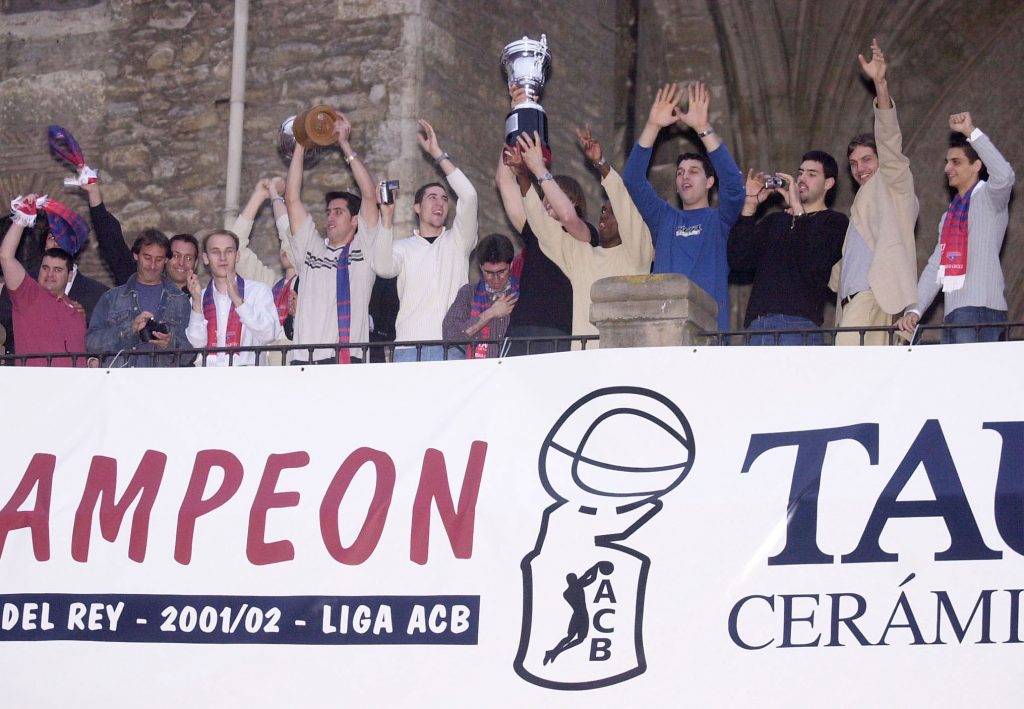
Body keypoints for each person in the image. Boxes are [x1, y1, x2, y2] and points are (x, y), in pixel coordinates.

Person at [623, 81, 744, 332]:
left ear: (710, 182)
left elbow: (734, 186)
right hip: (663, 333)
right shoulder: (665, 219)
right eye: (680, 172)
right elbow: (633, 179)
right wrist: (653, 126)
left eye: (693, 171)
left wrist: (703, 128)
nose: (685, 176)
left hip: (707, 333)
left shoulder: (719, 221)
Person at [518, 127, 654, 341]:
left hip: (621, 353)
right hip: (582, 356)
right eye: (602, 210)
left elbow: (624, 203)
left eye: (612, 212)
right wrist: (522, 174)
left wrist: (601, 163)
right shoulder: (582, 254)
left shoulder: (637, 257)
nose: (604, 215)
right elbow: (543, 227)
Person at [896, 112, 1015, 343]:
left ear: (977, 165)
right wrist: (915, 310)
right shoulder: (948, 216)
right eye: (947, 162)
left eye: (956, 162)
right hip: (953, 314)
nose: (947, 168)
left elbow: (1005, 175)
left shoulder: (990, 198)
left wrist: (970, 132)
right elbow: (936, 266)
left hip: (981, 310)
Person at [830, 39, 919, 346]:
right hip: (851, 303)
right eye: (854, 164)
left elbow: (889, 138)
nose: (860, 168)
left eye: (867, 159)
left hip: (873, 296)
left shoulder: (893, 181)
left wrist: (880, 84)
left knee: (847, 368)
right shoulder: (861, 202)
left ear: (882, 161)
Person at [373, 119, 478, 362]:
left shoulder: (458, 241)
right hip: (409, 350)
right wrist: (386, 218)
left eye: (444, 199)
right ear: (417, 208)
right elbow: (382, 267)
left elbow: (470, 196)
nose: (440, 203)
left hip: (452, 348)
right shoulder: (402, 248)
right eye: (432, 197)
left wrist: (438, 154)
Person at [286, 112, 380, 364]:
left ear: (355, 220)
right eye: (328, 212)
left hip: (347, 360)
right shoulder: (311, 250)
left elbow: (369, 196)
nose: (330, 218)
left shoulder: (364, 249)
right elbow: (292, 199)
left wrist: (344, 144)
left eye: (338, 212)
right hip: (304, 361)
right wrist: (301, 144)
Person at [728, 152, 848, 344]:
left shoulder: (834, 222)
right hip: (757, 326)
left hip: (799, 327)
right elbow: (739, 260)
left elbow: (815, 260)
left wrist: (798, 211)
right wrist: (749, 207)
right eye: (800, 173)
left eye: (812, 174)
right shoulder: (775, 221)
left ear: (828, 183)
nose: (802, 179)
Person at [496, 149, 573, 356]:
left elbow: (568, 218)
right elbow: (504, 181)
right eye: (544, 195)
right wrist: (513, 138)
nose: (547, 199)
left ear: (574, 202)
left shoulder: (587, 237)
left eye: (555, 192)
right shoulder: (536, 232)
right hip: (522, 330)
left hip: (561, 332)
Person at [0, 198, 87, 366]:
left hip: (72, 382)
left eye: (58, 270)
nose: (49, 274)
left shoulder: (76, 311)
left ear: (70, 276)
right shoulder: (29, 295)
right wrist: (22, 219)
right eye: (45, 268)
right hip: (34, 382)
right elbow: (5, 257)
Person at [86, 230, 191, 367]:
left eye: (159, 260)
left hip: (161, 380)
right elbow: (91, 344)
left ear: (166, 260)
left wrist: (170, 344)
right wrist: (129, 330)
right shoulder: (111, 298)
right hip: (122, 379)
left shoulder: (180, 300)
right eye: (147, 258)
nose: (152, 265)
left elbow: (190, 356)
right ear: (136, 255)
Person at [185, 230, 280, 366]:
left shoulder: (258, 291)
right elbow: (196, 344)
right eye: (215, 252)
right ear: (206, 258)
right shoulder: (198, 297)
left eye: (229, 251)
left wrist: (239, 302)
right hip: (208, 375)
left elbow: (269, 335)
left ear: (237, 256)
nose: (223, 258)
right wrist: (196, 302)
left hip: (247, 374)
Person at [231, 176, 297, 362]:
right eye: (282, 244)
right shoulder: (271, 285)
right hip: (265, 368)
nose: (284, 247)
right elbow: (233, 251)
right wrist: (259, 196)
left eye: (287, 241)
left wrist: (275, 196)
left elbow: (289, 237)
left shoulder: (312, 279)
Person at [442, 233, 518, 358]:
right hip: (478, 368)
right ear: (480, 267)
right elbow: (450, 336)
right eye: (489, 273)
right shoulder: (468, 293)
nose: (496, 279)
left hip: (513, 367)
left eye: (502, 272)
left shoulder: (523, 294)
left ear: (511, 264)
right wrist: (490, 313)